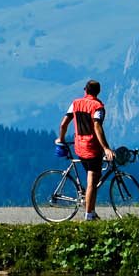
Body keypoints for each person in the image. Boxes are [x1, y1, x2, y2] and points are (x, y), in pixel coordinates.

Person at [57, 79, 116, 221]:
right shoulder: (98, 106)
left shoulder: (75, 103)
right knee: (92, 183)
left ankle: (91, 210)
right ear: (98, 92)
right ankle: (89, 216)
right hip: (92, 148)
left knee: (92, 181)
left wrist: (61, 139)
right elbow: (97, 126)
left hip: (79, 147)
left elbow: (64, 124)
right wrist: (106, 148)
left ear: (85, 90)